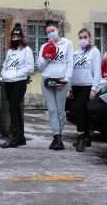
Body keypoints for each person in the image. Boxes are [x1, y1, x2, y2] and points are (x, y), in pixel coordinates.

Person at [38, 21, 73, 151]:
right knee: (52, 110)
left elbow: (70, 62)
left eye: (52, 30)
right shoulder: (44, 46)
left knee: (60, 111)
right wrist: (47, 55)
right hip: (47, 80)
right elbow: (40, 67)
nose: (50, 33)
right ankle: (57, 137)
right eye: (47, 32)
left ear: (57, 30)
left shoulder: (67, 44)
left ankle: (58, 136)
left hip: (62, 80)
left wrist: (66, 79)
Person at [0, 24, 34, 149]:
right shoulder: (10, 51)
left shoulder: (27, 50)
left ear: (21, 37)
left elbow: (30, 67)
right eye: (13, 35)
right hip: (8, 82)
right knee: (15, 109)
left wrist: (17, 75)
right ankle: (20, 137)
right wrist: (4, 74)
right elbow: (5, 65)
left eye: (17, 35)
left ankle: (14, 137)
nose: (15, 37)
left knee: (13, 107)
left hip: (19, 82)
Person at [71, 28, 102, 152]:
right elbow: (72, 70)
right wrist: (70, 88)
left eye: (85, 37)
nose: (83, 40)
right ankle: (88, 136)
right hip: (76, 86)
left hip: (87, 85)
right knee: (83, 111)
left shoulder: (94, 51)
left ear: (89, 38)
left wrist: (94, 88)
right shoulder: (75, 53)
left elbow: (97, 71)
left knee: (77, 108)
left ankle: (81, 137)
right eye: (80, 37)